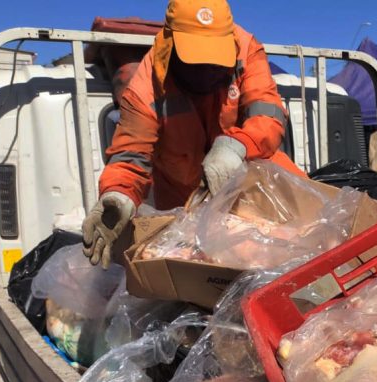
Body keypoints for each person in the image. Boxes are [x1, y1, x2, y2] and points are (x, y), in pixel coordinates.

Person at [84, 0, 298, 269]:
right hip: (184, 203)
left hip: (255, 188)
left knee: (294, 257)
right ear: (170, 44)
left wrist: (238, 146)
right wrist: (118, 194)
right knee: (195, 279)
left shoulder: (246, 50)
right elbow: (129, 157)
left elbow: (268, 116)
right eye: (196, 60)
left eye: (216, 60)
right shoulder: (144, 87)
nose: (208, 70)